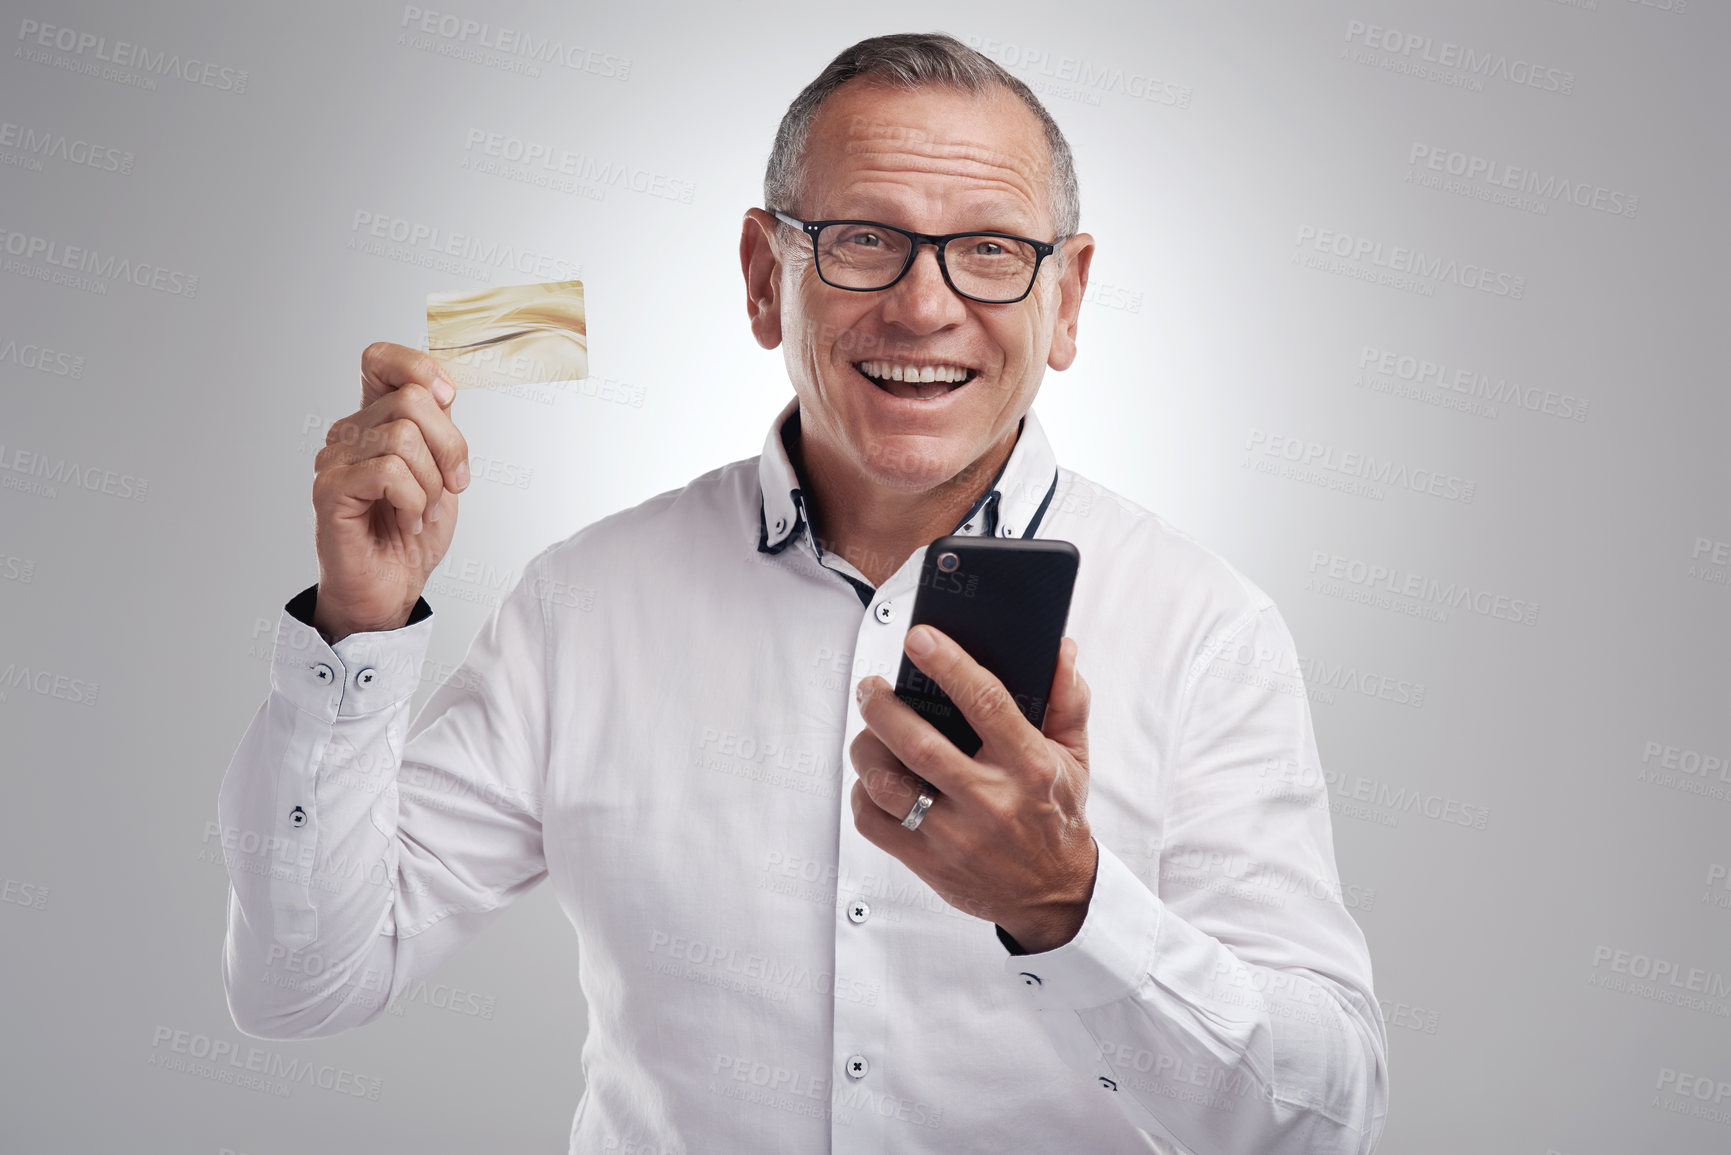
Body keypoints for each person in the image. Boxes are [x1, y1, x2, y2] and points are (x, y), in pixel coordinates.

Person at [219, 32, 1388, 1155]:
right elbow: (304, 986)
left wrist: (1069, 906)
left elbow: (1321, 1123)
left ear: (1068, 299)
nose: (925, 308)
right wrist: (357, 626)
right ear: (762, 277)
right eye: (863, 240)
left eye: (988, 248)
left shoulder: (1207, 632)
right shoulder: (584, 603)